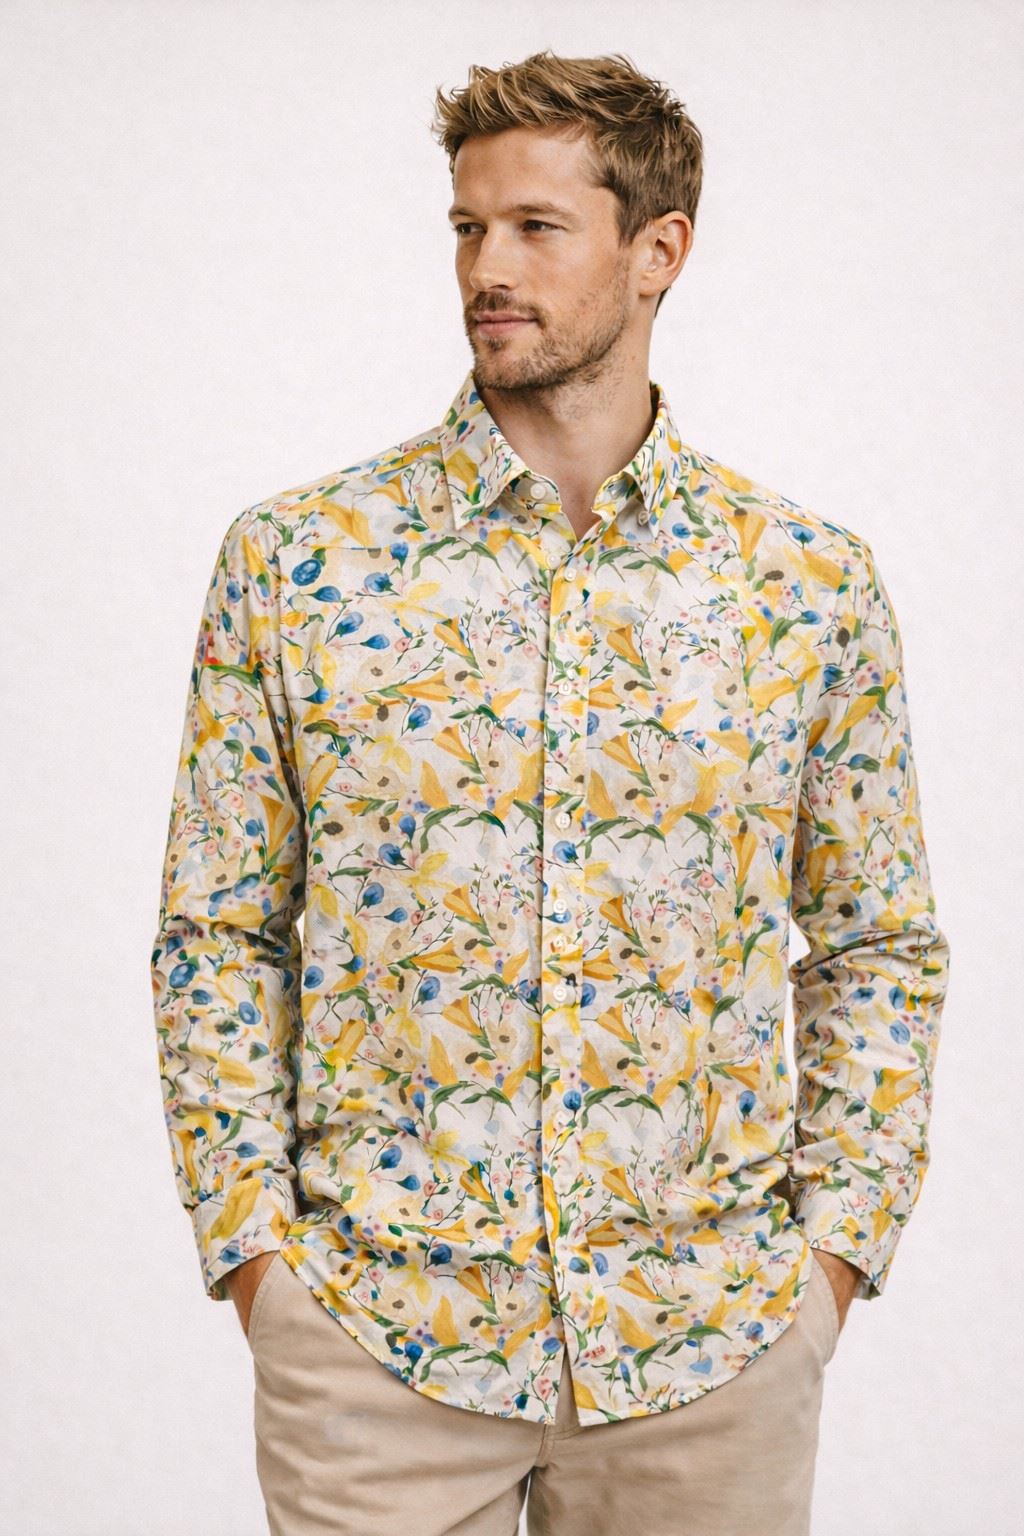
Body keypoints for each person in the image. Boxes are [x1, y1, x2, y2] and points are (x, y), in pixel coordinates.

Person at [150, 47, 950, 1536]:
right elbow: (218, 933)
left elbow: (877, 945)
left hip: (711, 1347)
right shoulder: (298, 566)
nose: (487, 269)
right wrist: (258, 1258)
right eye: (468, 227)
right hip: (376, 1343)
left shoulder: (804, 586)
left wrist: (830, 1263)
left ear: (660, 251)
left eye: (535, 227)